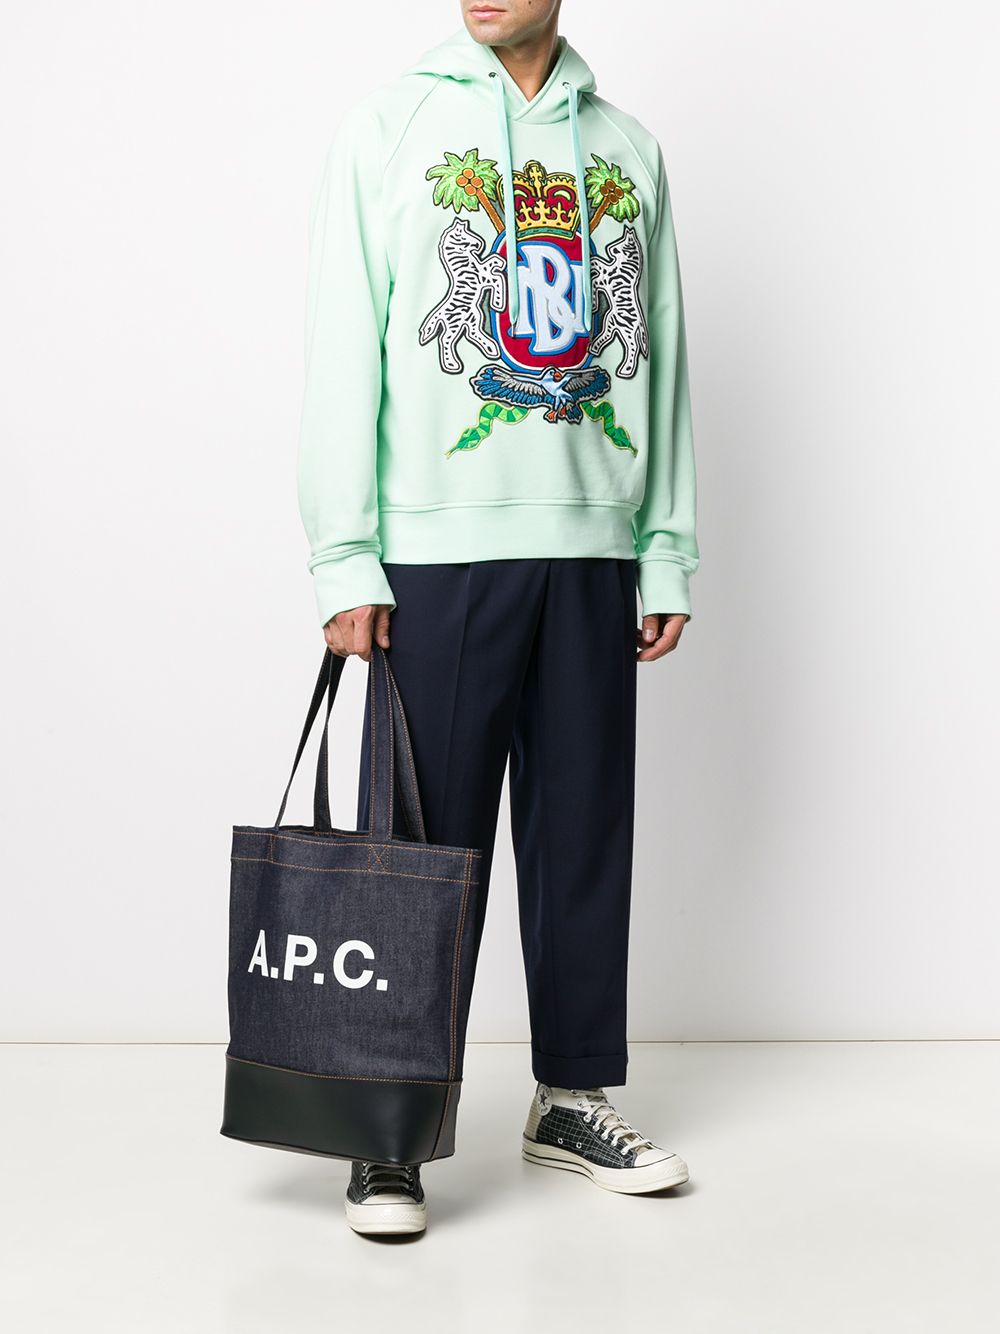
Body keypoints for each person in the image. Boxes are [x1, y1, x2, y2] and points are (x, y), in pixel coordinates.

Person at [297, 0, 698, 1237]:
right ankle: (388, 1126)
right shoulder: (389, 126)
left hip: (590, 544)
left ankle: (571, 1095)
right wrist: (344, 555)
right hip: (436, 549)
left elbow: (663, 354)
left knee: (582, 835)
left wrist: (664, 548)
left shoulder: (626, 148)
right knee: (422, 852)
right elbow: (341, 344)